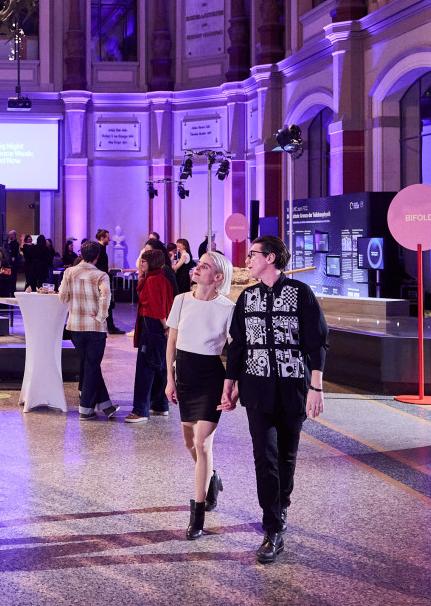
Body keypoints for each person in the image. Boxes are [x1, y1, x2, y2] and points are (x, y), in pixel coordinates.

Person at [222, 235, 328, 564]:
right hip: (256, 388)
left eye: (252, 255)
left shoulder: (300, 294)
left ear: (269, 258)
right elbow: (238, 345)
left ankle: (281, 506)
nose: (247, 260)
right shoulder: (247, 297)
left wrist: (316, 387)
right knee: (264, 456)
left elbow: (318, 342)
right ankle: (272, 528)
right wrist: (230, 384)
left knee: (286, 456)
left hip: (293, 386)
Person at [165, 250, 235, 539]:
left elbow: (236, 351)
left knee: (201, 442)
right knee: (188, 442)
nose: (196, 268)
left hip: (210, 378)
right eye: (198, 264)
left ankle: (197, 516)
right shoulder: (181, 301)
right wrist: (170, 379)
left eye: (203, 266)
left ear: (217, 277)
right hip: (186, 376)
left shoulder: (228, 308)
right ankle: (212, 477)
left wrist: (233, 385)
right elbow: (171, 342)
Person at [59, 240, 118, 420]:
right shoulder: (101, 275)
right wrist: (101, 317)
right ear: (97, 256)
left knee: (90, 365)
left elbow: (63, 297)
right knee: (92, 365)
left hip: (75, 326)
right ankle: (85, 409)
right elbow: (105, 298)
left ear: (81, 254)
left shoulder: (69, 272)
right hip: (95, 328)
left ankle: (105, 405)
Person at [126, 247, 174, 423]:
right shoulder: (160, 278)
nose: (140, 263)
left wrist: (165, 326)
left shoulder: (152, 281)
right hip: (158, 327)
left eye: (143, 261)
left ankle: (140, 410)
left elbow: (157, 307)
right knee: (159, 365)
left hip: (152, 325)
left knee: (145, 368)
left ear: (151, 263)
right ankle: (160, 405)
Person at [95, 228, 123, 335]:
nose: (109, 239)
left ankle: (110, 326)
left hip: (102, 280)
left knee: (107, 304)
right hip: (101, 281)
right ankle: (110, 327)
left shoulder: (101, 249)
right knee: (107, 304)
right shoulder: (99, 249)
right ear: (102, 238)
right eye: (107, 237)